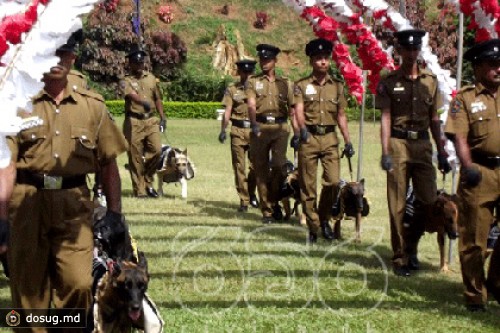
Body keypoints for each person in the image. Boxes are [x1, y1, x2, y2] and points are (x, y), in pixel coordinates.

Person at [0, 36, 128, 332]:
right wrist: (2, 216)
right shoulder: (18, 103)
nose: (57, 59)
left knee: (79, 283)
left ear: (73, 58)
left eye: (64, 52)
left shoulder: (92, 106)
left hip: (73, 205)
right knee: (29, 290)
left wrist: (115, 215)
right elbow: (6, 166)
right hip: (27, 202)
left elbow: (108, 163)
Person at [376, 29, 451, 277]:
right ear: (399, 51)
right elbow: (385, 119)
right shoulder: (388, 82)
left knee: (429, 201)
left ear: (419, 50)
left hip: (422, 144)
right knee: (397, 203)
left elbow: (434, 119)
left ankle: (412, 245)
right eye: (406, 49)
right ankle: (400, 256)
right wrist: (385, 151)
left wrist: (442, 151)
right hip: (398, 144)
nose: (410, 53)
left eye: (414, 49)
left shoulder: (430, 81)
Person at [444, 38, 500, 312]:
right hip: (479, 171)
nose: (498, 69)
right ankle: (475, 295)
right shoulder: (463, 99)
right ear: (477, 67)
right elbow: (458, 137)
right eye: (492, 64)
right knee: (474, 241)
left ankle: (497, 282)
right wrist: (468, 167)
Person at [293, 38, 354, 243]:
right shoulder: (301, 85)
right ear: (311, 61)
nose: (323, 62)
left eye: (326, 58)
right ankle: (313, 226)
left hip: (329, 138)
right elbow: (298, 111)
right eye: (318, 58)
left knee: (334, 182)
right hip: (308, 136)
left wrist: (348, 141)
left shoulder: (337, 86)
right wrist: (301, 130)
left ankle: (324, 217)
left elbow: (341, 115)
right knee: (307, 186)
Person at [246, 44, 294, 224]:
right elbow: (251, 104)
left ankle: (273, 201)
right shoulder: (252, 82)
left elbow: (293, 108)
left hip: (280, 128)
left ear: (275, 61)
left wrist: (298, 132)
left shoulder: (285, 83)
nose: (264, 63)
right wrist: (253, 124)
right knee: (260, 170)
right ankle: (267, 211)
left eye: (267, 60)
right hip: (260, 127)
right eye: (262, 60)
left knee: (281, 166)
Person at [120, 46, 166, 198]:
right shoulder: (126, 80)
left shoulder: (151, 78)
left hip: (151, 120)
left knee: (157, 150)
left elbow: (158, 98)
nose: (140, 66)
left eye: (141, 63)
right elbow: (131, 95)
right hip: (134, 121)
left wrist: (163, 117)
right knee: (135, 157)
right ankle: (140, 190)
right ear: (131, 64)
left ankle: (147, 179)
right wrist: (142, 102)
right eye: (136, 63)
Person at [219, 59, 259, 212]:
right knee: (239, 167)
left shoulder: (259, 89)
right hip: (237, 130)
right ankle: (244, 199)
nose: (247, 75)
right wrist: (223, 129)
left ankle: (251, 192)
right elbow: (227, 110)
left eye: (249, 72)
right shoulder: (232, 89)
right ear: (239, 73)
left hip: (254, 131)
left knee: (256, 167)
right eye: (244, 72)